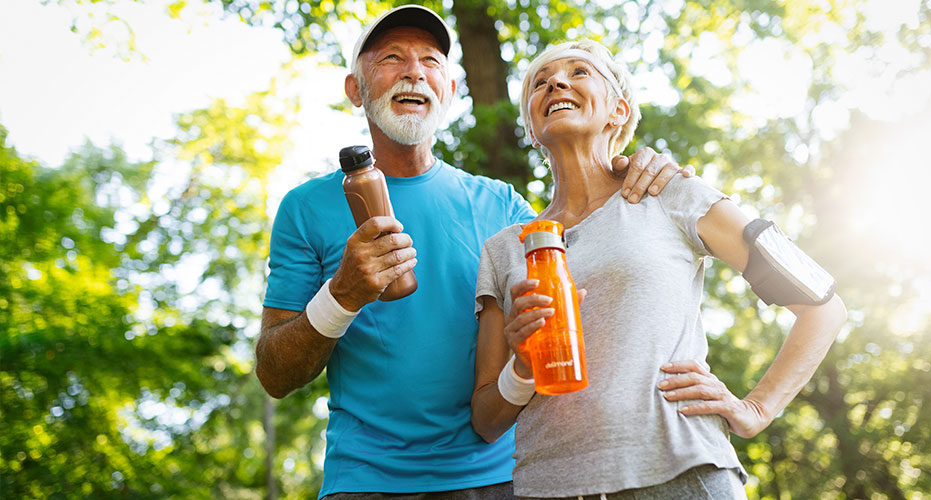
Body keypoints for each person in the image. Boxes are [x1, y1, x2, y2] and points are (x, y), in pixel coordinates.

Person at [254, 6, 692, 498]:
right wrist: (341, 296)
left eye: (431, 61)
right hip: (364, 480)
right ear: (355, 89)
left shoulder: (504, 206)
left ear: (450, 90)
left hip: (500, 476)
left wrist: (630, 165)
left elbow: (591, 276)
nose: (414, 70)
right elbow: (274, 372)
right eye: (392, 57)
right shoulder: (305, 208)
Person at [470, 39, 847, 499]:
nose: (556, 83)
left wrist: (756, 408)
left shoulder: (672, 194)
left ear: (619, 111)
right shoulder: (504, 250)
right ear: (531, 128)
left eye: (579, 72)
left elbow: (823, 306)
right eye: (540, 83)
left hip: (682, 474)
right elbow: (487, 420)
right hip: (550, 487)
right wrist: (524, 366)